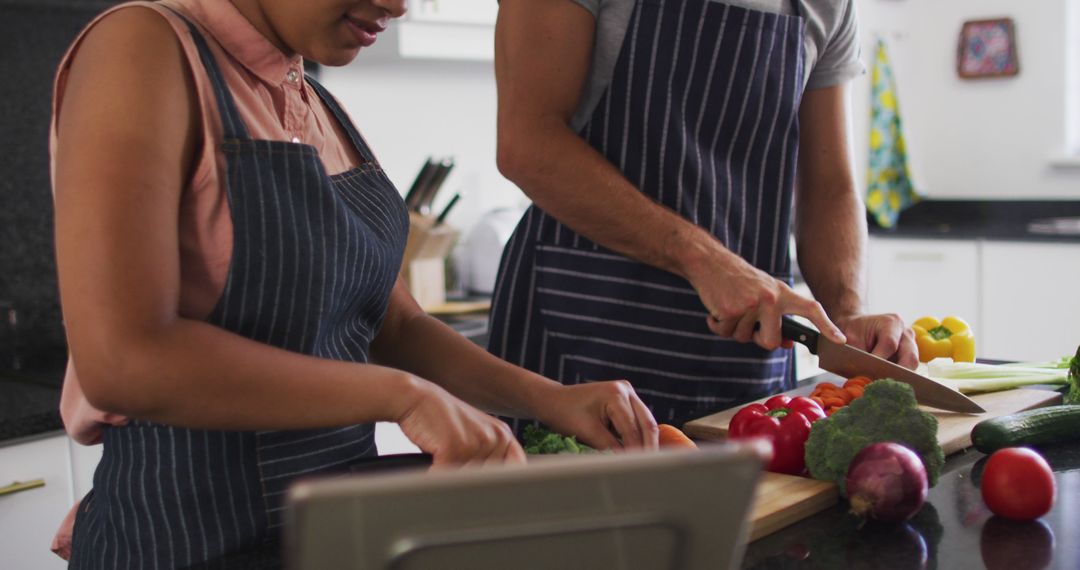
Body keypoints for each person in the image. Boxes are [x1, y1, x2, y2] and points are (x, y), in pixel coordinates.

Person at [49, 0, 658, 566]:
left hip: (336, 538)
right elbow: (122, 360)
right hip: (183, 542)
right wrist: (405, 397)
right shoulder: (144, 47)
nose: (398, 4)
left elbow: (397, 324)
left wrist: (548, 399)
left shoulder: (311, 95)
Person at [488, 0, 919, 430]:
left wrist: (844, 318)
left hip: (745, 360)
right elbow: (527, 144)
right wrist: (706, 262)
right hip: (578, 337)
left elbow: (829, 188)